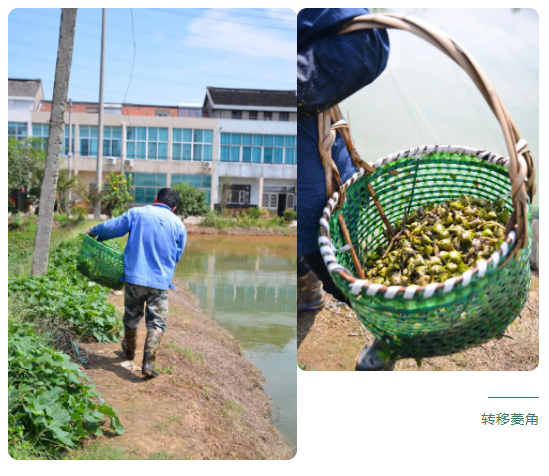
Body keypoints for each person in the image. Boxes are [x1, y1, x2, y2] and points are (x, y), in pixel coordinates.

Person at [297, 8, 390, 370]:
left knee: (346, 271)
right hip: (289, 193)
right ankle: (308, 293)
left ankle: (390, 332)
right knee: (298, 256)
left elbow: (371, 39)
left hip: (316, 176)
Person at [86, 188, 186, 378]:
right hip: (159, 282)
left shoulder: (137, 213)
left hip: (134, 278)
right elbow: (177, 255)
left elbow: (113, 227)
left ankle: (130, 351)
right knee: (157, 322)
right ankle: (148, 363)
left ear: (155, 198)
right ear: (173, 208)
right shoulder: (178, 225)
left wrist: (94, 231)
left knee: (132, 315)